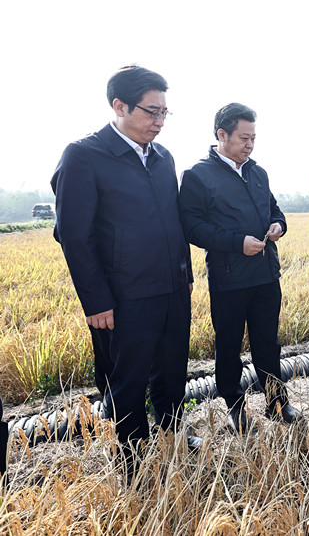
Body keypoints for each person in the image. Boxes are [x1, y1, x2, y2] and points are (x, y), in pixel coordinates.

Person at [51, 65, 198, 463]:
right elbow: (74, 236)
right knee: (127, 382)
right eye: (151, 111)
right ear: (119, 106)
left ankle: (173, 436)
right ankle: (132, 460)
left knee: (172, 371)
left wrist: (184, 271)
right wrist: (96, 300)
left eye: (164, 112)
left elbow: (174, 220)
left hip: (172, 289)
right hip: (123, 297)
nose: (160, 121)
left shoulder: (163, 157)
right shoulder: (85, 155)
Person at [179, 103, 302, 430]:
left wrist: (278, 226)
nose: (250, 144)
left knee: (268, 344)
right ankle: (236, 408)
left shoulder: (258, 173)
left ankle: (277, 404)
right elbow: (192, 227)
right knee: (228, 346)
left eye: (253, 138)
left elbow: (275, 211)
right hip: (228, 279)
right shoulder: (198, 176)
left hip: (266, 275)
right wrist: (237, 243)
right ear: (222, 135)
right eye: (243, 138)